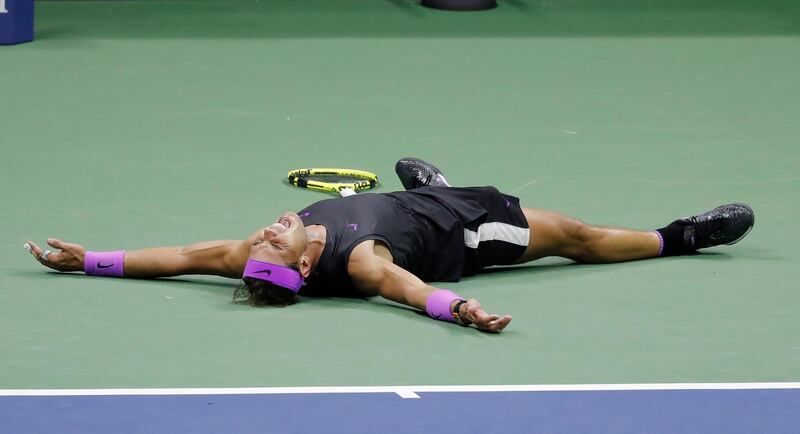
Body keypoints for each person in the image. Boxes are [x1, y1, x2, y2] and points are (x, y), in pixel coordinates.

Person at [25, 158, 755, 333]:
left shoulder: (257, 253)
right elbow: (407, 291)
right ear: (308, 267)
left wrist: (87, 259)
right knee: (581, 239)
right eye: (274, 244)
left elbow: (177, 260)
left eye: (266, 237)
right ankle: (681, 237)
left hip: (410, 205)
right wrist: (460, 306)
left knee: (412, 193)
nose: (266, 232)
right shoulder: (364, 263)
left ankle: (427, 182)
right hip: (465, 228)